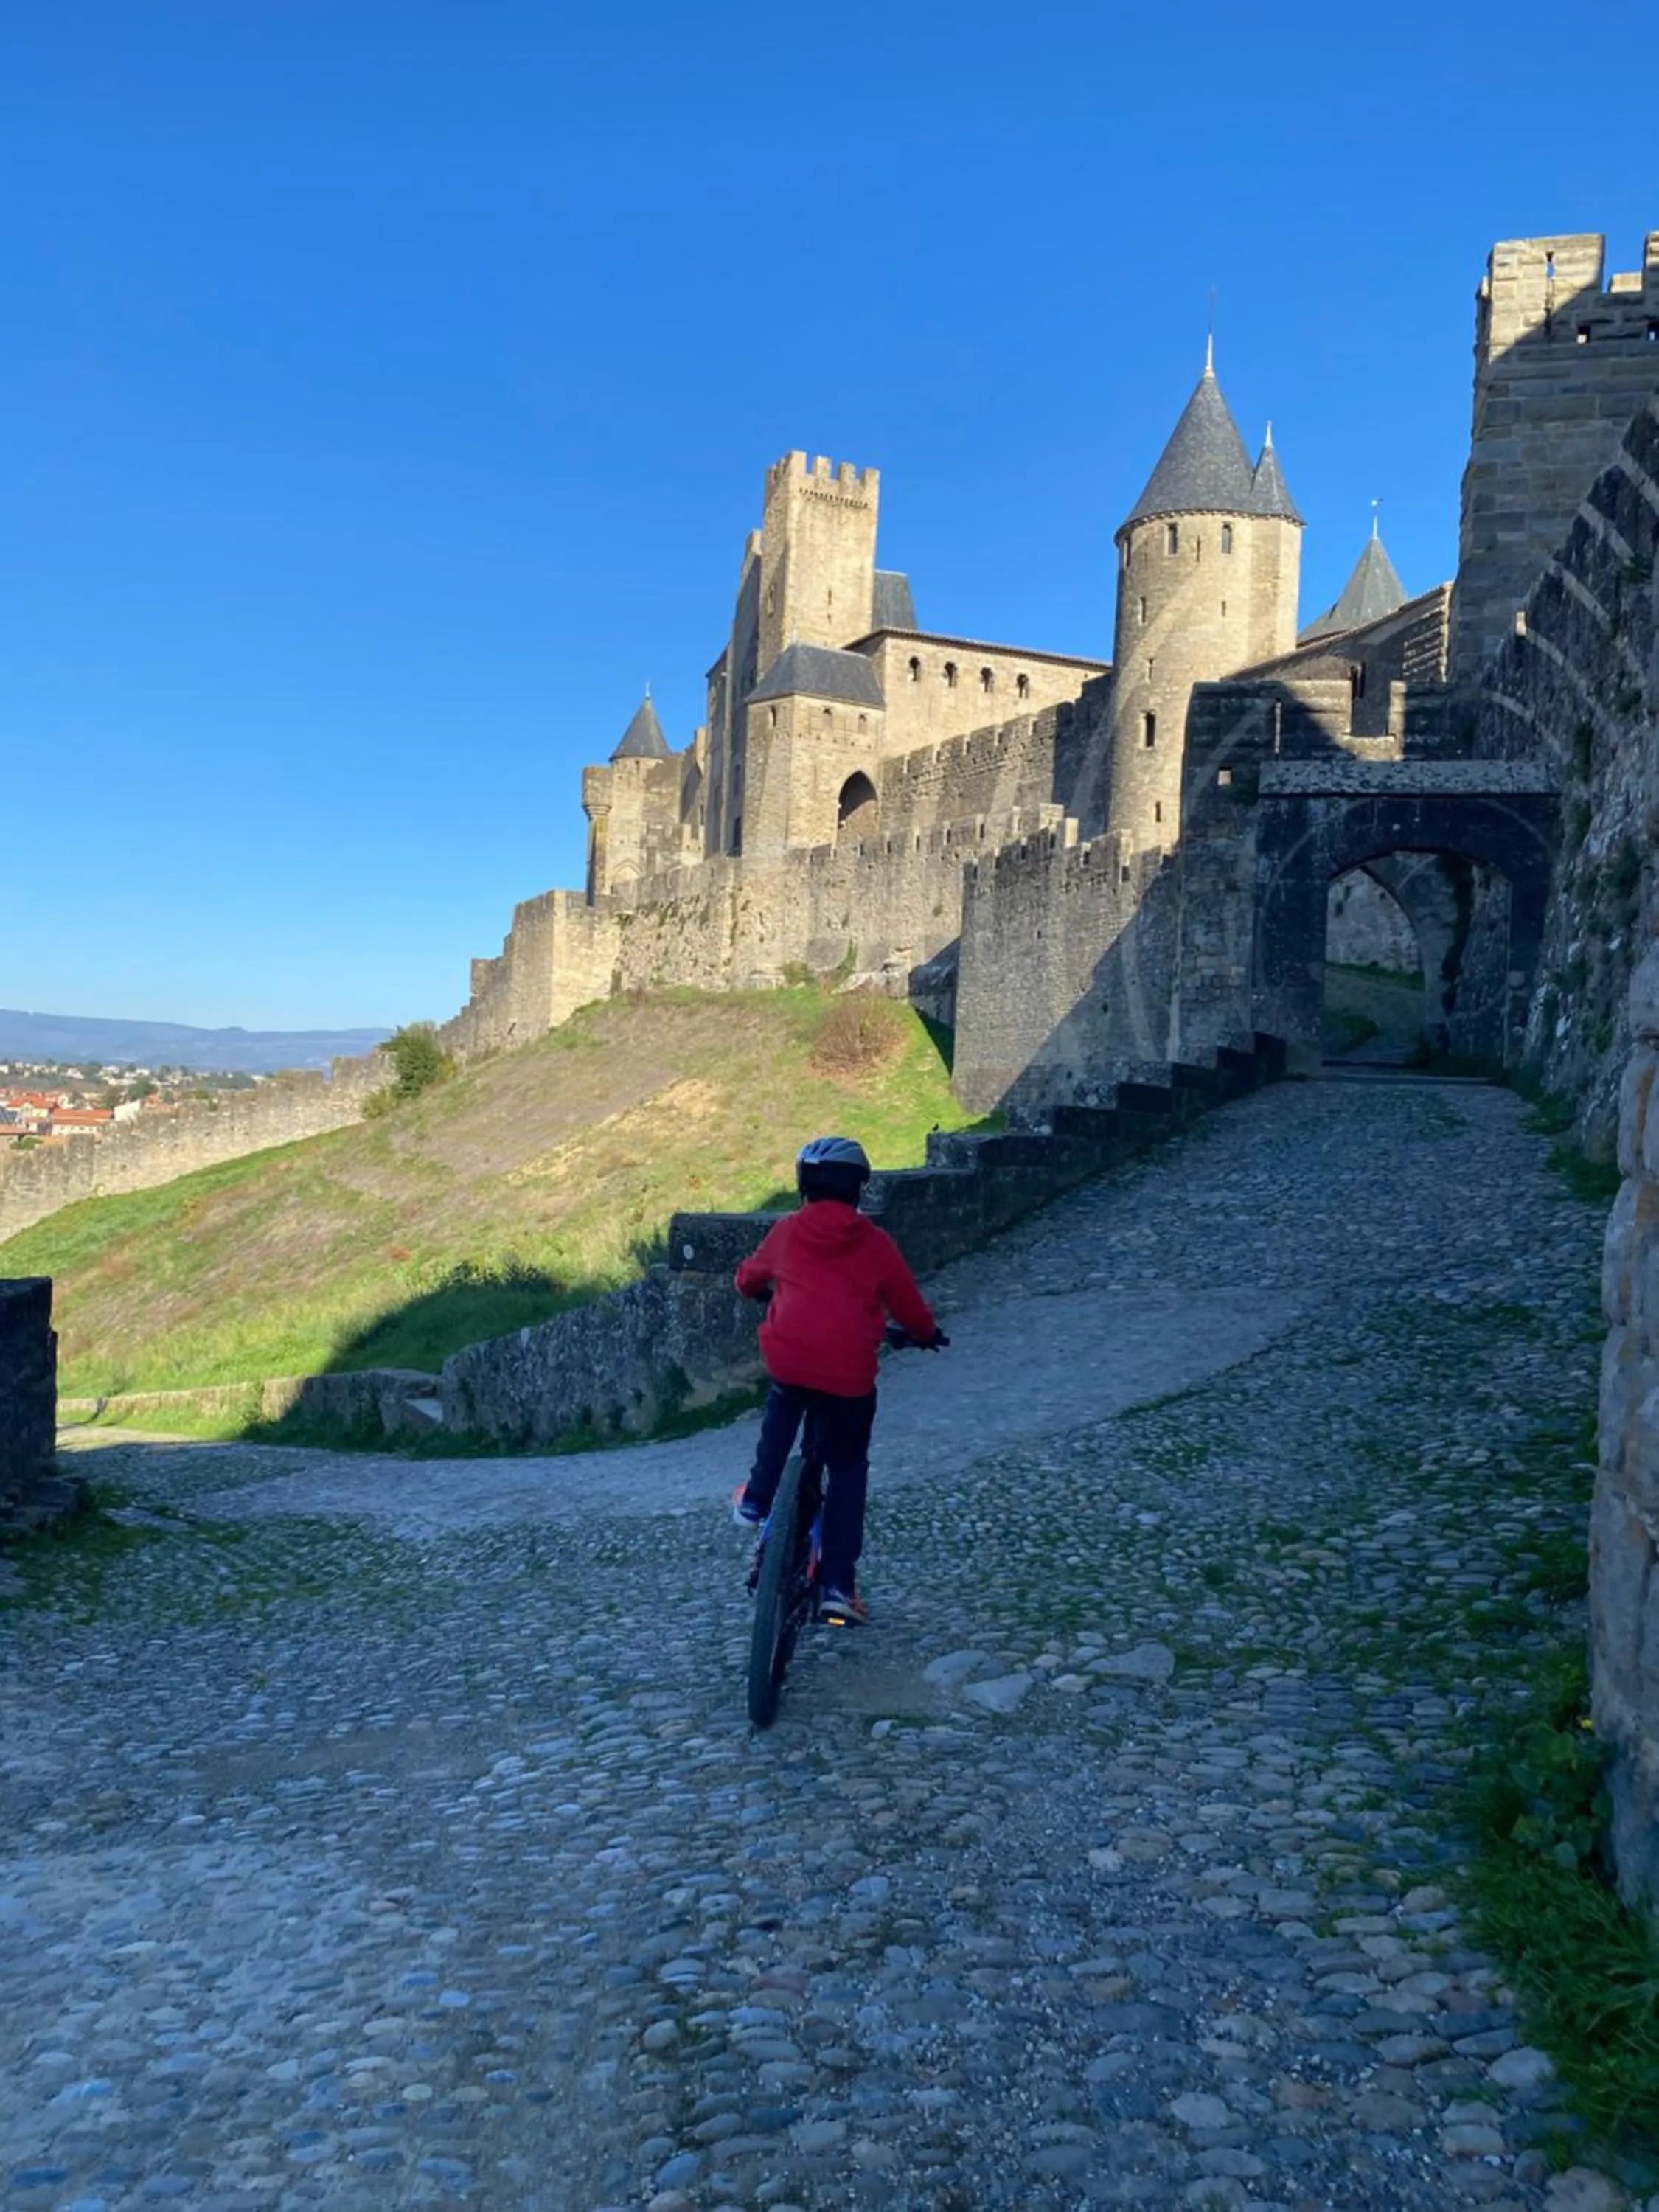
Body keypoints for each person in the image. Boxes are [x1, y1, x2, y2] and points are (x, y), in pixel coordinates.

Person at [730, 1134, 945, 1624]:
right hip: (848, 1375)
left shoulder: (787, 1231)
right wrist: (926, 1335)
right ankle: (838, 1588)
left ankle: (757, 1499)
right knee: (847, 1469)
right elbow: (910, 1307)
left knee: (782, 1409)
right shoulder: (875, 1244)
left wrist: (759, 1289)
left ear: (804, 1186)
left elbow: (747, 1280)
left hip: (790, 1360)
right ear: (857, 1191)